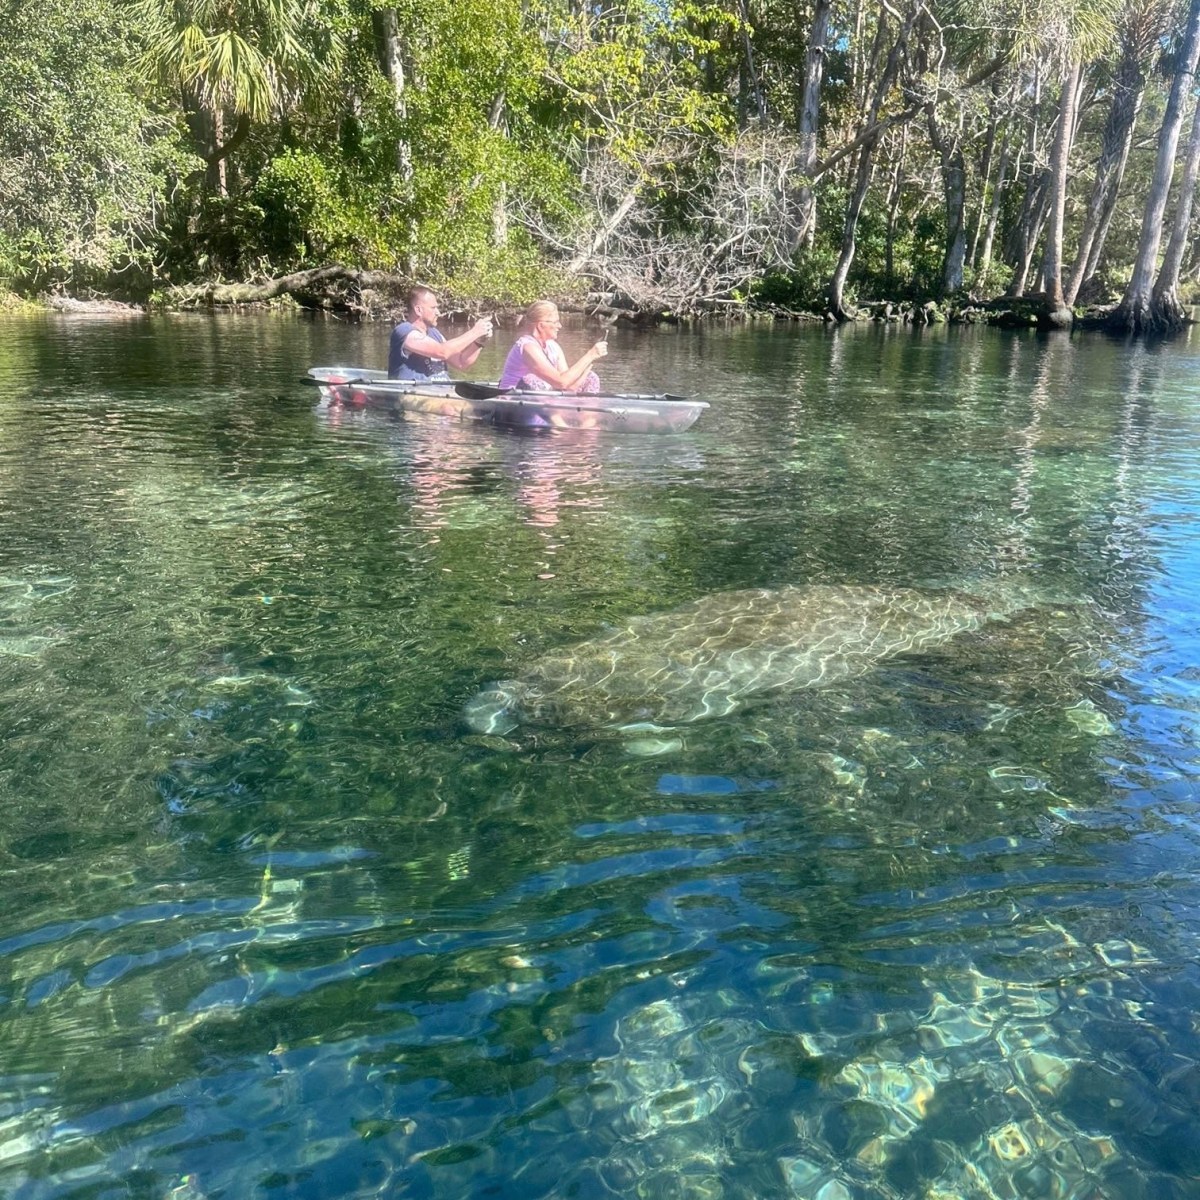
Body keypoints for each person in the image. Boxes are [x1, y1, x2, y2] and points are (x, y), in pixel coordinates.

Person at [498, 300, 607, 393]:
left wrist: (587, 366)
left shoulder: (553, 347)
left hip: (543, 401)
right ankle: (555, 417)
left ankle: (587, 417)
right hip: (514, 401)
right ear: (541, 325)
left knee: (590, 377)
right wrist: (589, 355)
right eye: (556, 322)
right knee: (532, 380)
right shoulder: (528, 347)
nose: (560, 326)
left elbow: (568, 385)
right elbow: (561, 382)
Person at [388, 287, 494, 381]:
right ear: (418, 310)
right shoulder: (404, 331)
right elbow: (442, 352)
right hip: (415, 395)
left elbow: (462, 363)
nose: (438, 312)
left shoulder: (435, 334)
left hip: (443, 394)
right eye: (433, 308)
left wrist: (478, 342)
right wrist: (475, 332)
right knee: (447, 405)